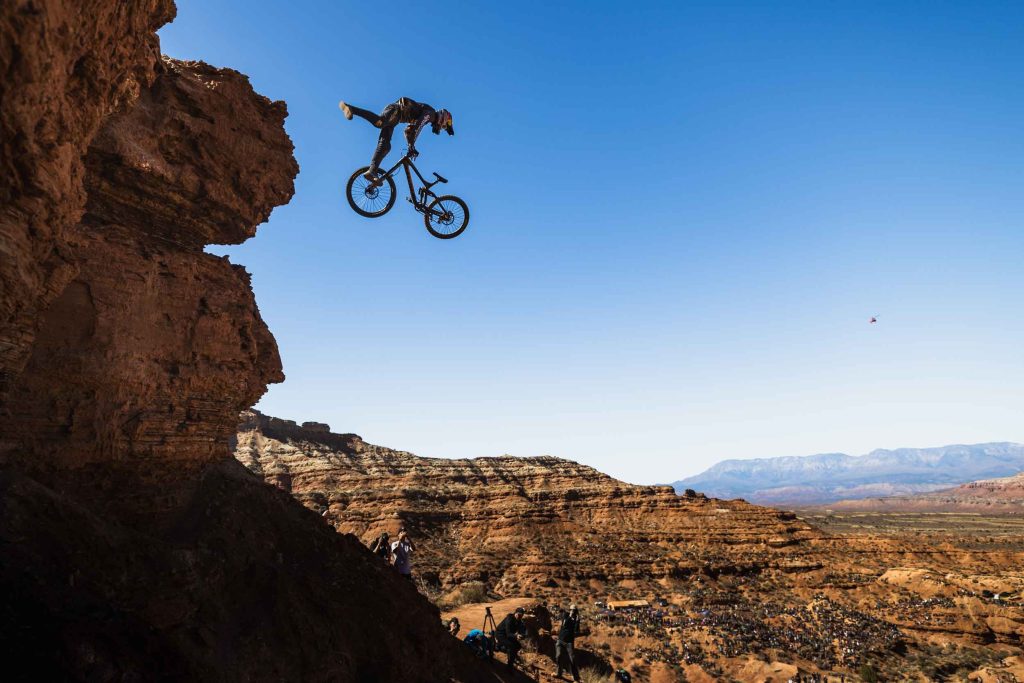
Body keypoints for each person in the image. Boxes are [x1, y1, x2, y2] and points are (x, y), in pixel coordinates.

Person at [338, 97, 454, 180]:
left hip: (396, 118)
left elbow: (408, 131)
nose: (441, 128)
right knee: (380, 123)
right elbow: (417, 128)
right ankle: (350, 108)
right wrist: (411, 145)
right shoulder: (431, 114)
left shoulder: (428, 115)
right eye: (444, 126)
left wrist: (411, 145)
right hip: (396, 110)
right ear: (443, 118)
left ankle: (372, 171)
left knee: (385, 146)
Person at [494, 607, 528, 671]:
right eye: (519, 614)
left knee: (518, 646)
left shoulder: (519, 621)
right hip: (500, 634)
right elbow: (508, 633)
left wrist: (523, 635)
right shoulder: (509, 619)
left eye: (521, 615)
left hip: (509, 636)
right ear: (515, 613)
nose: (520, 616)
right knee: (512, 646)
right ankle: (509, 666)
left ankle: (506, 650)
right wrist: (516, 636)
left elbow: (522, 631)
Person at [555, 604, 582, 681]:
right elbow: (565, 624)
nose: (573, 612)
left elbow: (576, 630)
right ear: (569, 610)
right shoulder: (566, 615)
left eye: (574, 610)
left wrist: (577, 622)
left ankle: (576, 679)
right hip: (560, 640)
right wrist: (570, 616)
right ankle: (558, 673)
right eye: (572, 610)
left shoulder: (576, 619)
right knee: (558, 656)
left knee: (572, 659)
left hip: (569, 642)